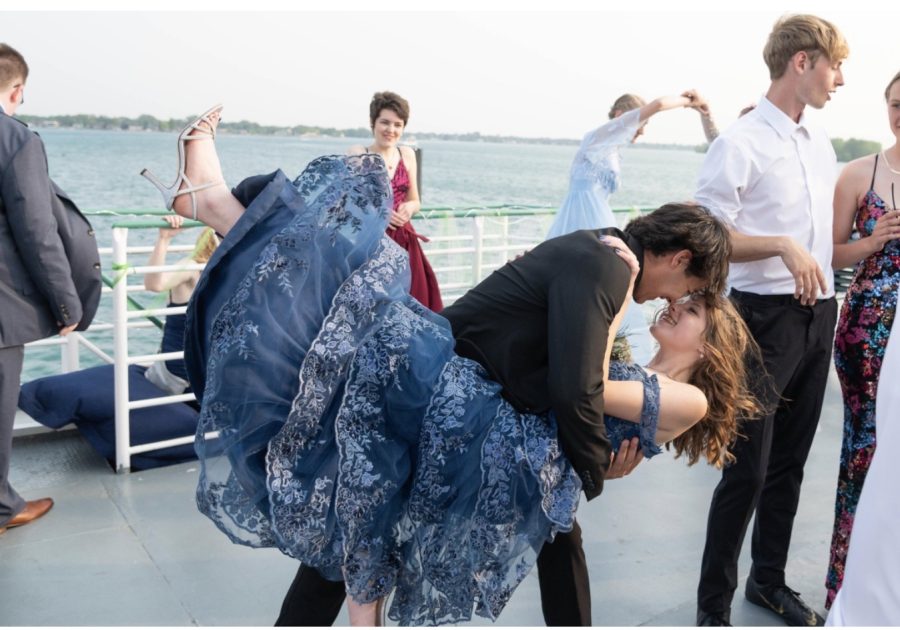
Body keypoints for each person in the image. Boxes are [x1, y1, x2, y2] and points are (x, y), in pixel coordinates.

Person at [142, 105, 734, 626]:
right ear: (679, 257)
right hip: (444, 393)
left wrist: (587, 464)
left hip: (462, 404)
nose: (669, 299)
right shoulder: (609, 264)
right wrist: (594, 474)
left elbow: (568, 377)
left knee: (353, 515)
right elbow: (579, 386)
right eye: (684, 287)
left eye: (686, 304)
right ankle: (215, 202)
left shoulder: (602, 256)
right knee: (338, 285)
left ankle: (215, 201)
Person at [692, 14, 849, 627]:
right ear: (802, 62)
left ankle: (768, 582)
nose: (840, 80)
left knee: (790, 464)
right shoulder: (740, 141)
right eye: (835, 65)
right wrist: (782, 245)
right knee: (747, 470)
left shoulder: (821, 141)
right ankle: (712, 610)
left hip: (819, 316)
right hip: (759, 320)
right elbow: (708, 236)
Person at [0, 43, 101, 535]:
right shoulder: (15, 139)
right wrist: (67, 303)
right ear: (17, 90)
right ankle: (1, 508)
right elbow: (37, 230)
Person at [547, 89, 717, 364]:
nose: (641, 130)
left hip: (601, 217)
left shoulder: (612, 151)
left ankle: (603, 352)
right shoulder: (595, 140)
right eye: (641, 123)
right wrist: (690, 103)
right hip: (580, 219)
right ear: (621, 116)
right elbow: (660, 104)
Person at [825, 69, 900, 609]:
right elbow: (830, 254)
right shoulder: (859, 173)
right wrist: (871, 240)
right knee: (864, 449)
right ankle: (846, 583)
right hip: (867, 331)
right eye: (896, 103)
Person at [348, 91, 442, 311]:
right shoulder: (357, 153)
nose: (391, 130)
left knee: (411, 303)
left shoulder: (407, 154)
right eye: (385, 122)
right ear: (373, 123)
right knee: (373, 306)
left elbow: (415, 200)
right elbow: (351, 203)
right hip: (371, 242)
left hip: (404, 240)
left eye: (398, 125)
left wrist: (410, 207)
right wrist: (380, 212)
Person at [142, 214, 220, 396]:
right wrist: (164, 239)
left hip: (209, 367)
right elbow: (154, 284)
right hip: (180, 369)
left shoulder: (229, 272)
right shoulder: (193, 268)